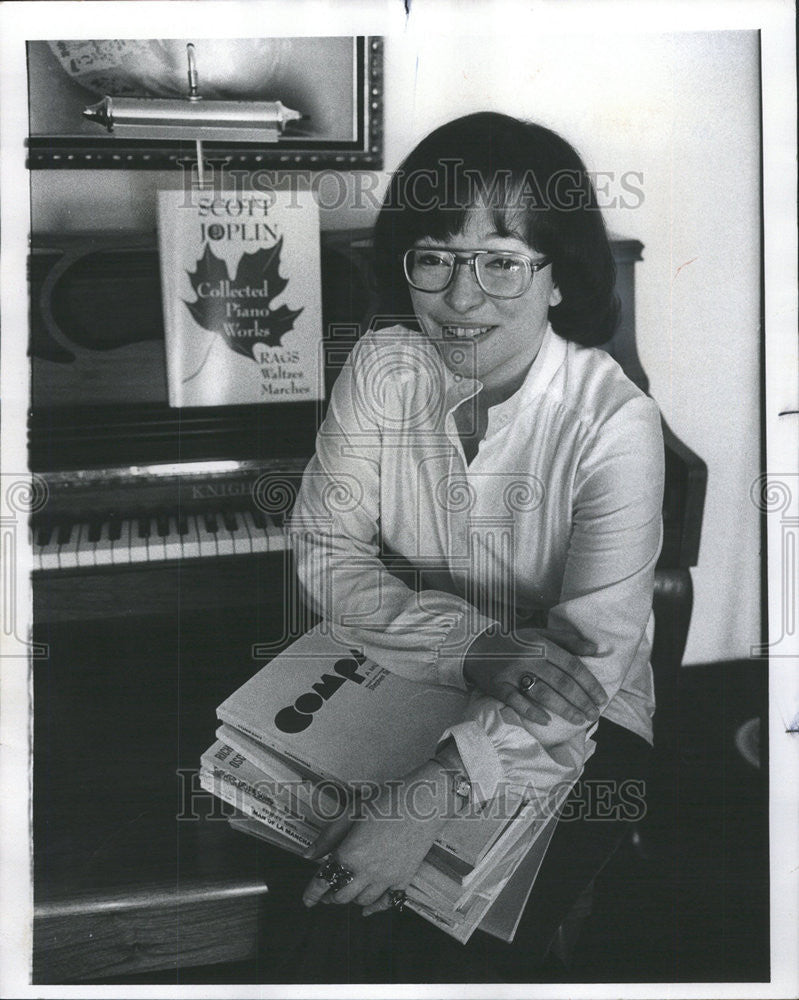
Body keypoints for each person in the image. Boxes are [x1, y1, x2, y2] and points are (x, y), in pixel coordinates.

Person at [285, 111, 664, 981]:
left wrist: (435, 789)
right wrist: (475, 645)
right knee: (323, 883)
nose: (459, 300)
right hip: (400, 674)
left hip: (579, 719)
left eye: (501, 261)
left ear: (557, 277)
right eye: (436, 257)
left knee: (434, 936)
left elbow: (589, 662)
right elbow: (323, 550)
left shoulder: (614, 424)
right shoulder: (381, 368)